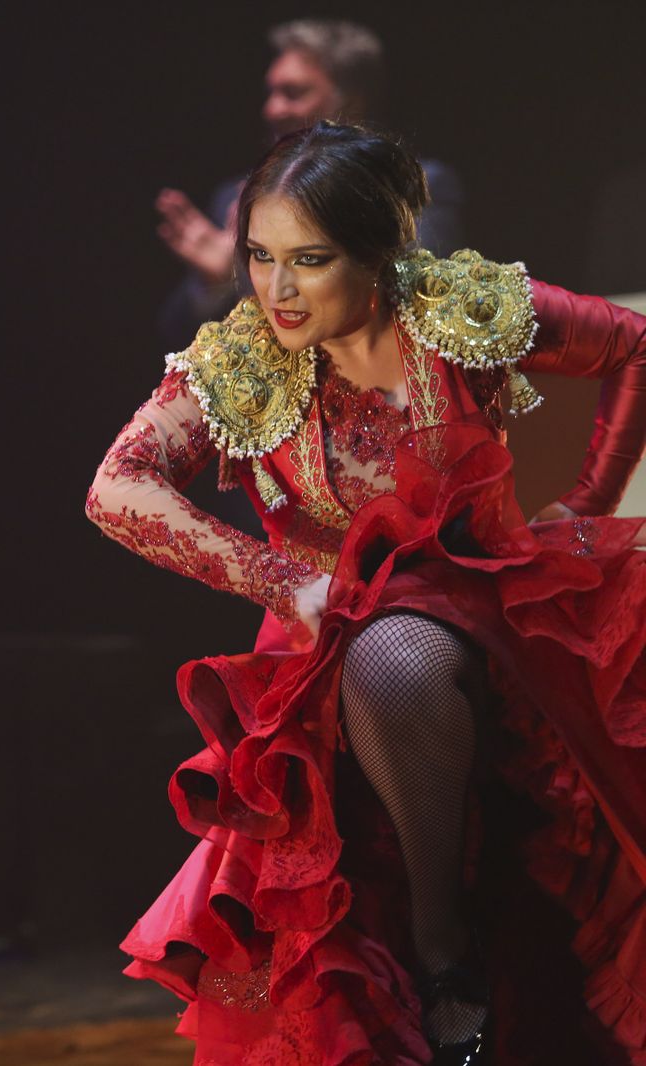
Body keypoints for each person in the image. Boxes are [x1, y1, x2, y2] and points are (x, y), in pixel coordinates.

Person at [88, 122, 646, 1064]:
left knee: (413, 665)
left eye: (311, 260)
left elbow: (633, 344)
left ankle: (452, 952)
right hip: (323, 658)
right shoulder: (241, 361)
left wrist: (587, 503)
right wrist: (279, 578)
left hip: (494, 623)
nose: (277, 289)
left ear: (382, 254)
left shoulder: (462, 309)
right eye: (259, 257)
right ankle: (440, 958)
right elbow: (115, 487)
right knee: (384, 671)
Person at [156, 19, 465, 353]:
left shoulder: (411, 186)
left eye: (293, 92)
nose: (272, 109)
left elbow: (417, 298)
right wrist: (216, 282)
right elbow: (178, 339)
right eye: (261, 254)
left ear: (352, 99)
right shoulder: (238, 196)